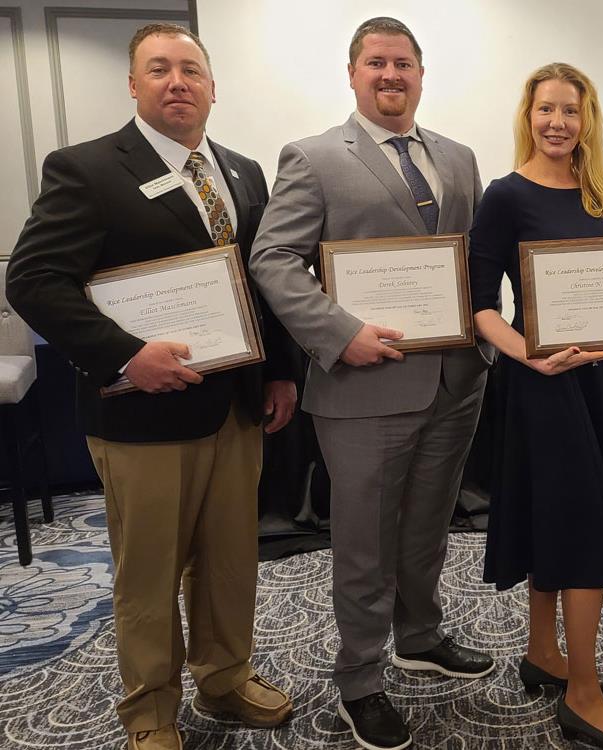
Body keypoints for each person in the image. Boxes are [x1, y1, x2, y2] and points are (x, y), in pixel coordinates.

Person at [5, 23, 299, 750]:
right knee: (149, 574)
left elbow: (263, 279)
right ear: (133, 85)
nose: (178, 82)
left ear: (211, 87)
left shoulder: (242, 170)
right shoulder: (86, 167)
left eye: (191, 70)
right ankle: (149, 713)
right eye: (159, 69)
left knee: (231, 560)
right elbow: (34, 280)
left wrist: (284, 369)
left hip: (233, 404)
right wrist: (128, 356)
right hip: (141, 411)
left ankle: (226, 678)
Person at [248, 17, 494, 750]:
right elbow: (273, 260)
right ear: (353, 73)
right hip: (362, 389)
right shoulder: (315, 156)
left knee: (427, 529)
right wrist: (337, 332)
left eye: (405, 64)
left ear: (422, 74)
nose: (392, 76)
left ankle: (420, 636)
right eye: (377, 64)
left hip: (455, 379)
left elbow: (473, 262)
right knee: (363, 545)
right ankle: (361, 680)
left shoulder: (458, 157)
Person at [467, 63, 603, 750]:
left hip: (602, 384)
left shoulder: (601, 197)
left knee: (569, 514)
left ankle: (544, 654)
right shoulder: (504, 196)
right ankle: (581, 695)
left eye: (570, 111)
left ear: (588, 118)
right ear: (529, 114)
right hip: (543, 385)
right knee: (579, 530)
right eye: (546, 109)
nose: (557, 122)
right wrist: (532, 355)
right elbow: (480, 306)